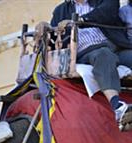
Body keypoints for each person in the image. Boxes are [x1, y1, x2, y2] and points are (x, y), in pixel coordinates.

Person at [45, 0, 132, 129]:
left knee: (112, 54)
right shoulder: (60, 10)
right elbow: (54, 36)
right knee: (103, 55)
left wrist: (80, 20)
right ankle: (117, 107)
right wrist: (44, 27)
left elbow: (107, 13)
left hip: (116, 47)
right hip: (88, 52)